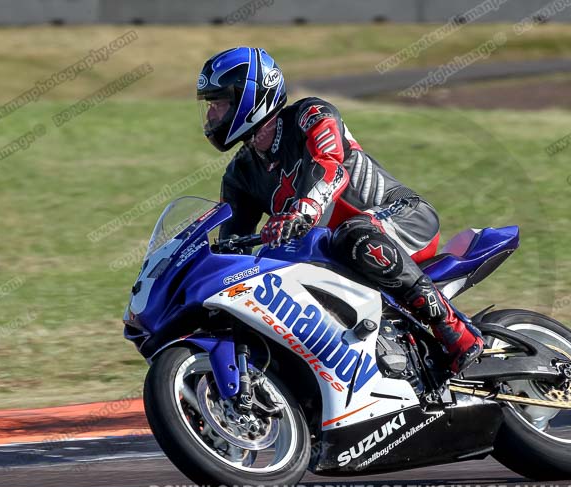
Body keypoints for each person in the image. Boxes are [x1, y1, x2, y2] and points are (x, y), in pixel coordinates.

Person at [197, 47, 482, 373]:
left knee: (354, 234)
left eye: (219, 103)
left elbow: (332, 169)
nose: (211, 116)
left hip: (402, 216)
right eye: (210, 106)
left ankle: (454, 329)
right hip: (336, 250)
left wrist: (303, 210)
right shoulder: (240, 174)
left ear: (250, 99)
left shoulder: (310, 116)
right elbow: (233, 245)